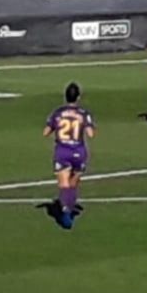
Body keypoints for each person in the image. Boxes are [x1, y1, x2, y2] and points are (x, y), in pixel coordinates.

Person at [43, 83, 94, 230]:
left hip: (62, 151)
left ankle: (65, 213)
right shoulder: (84, 113)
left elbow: (46, 132)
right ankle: (69, 210)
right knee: (73, 183)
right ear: (78, 97)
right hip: (79, 151)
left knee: (64, 184)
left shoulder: (58, 112)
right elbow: (91, 133)